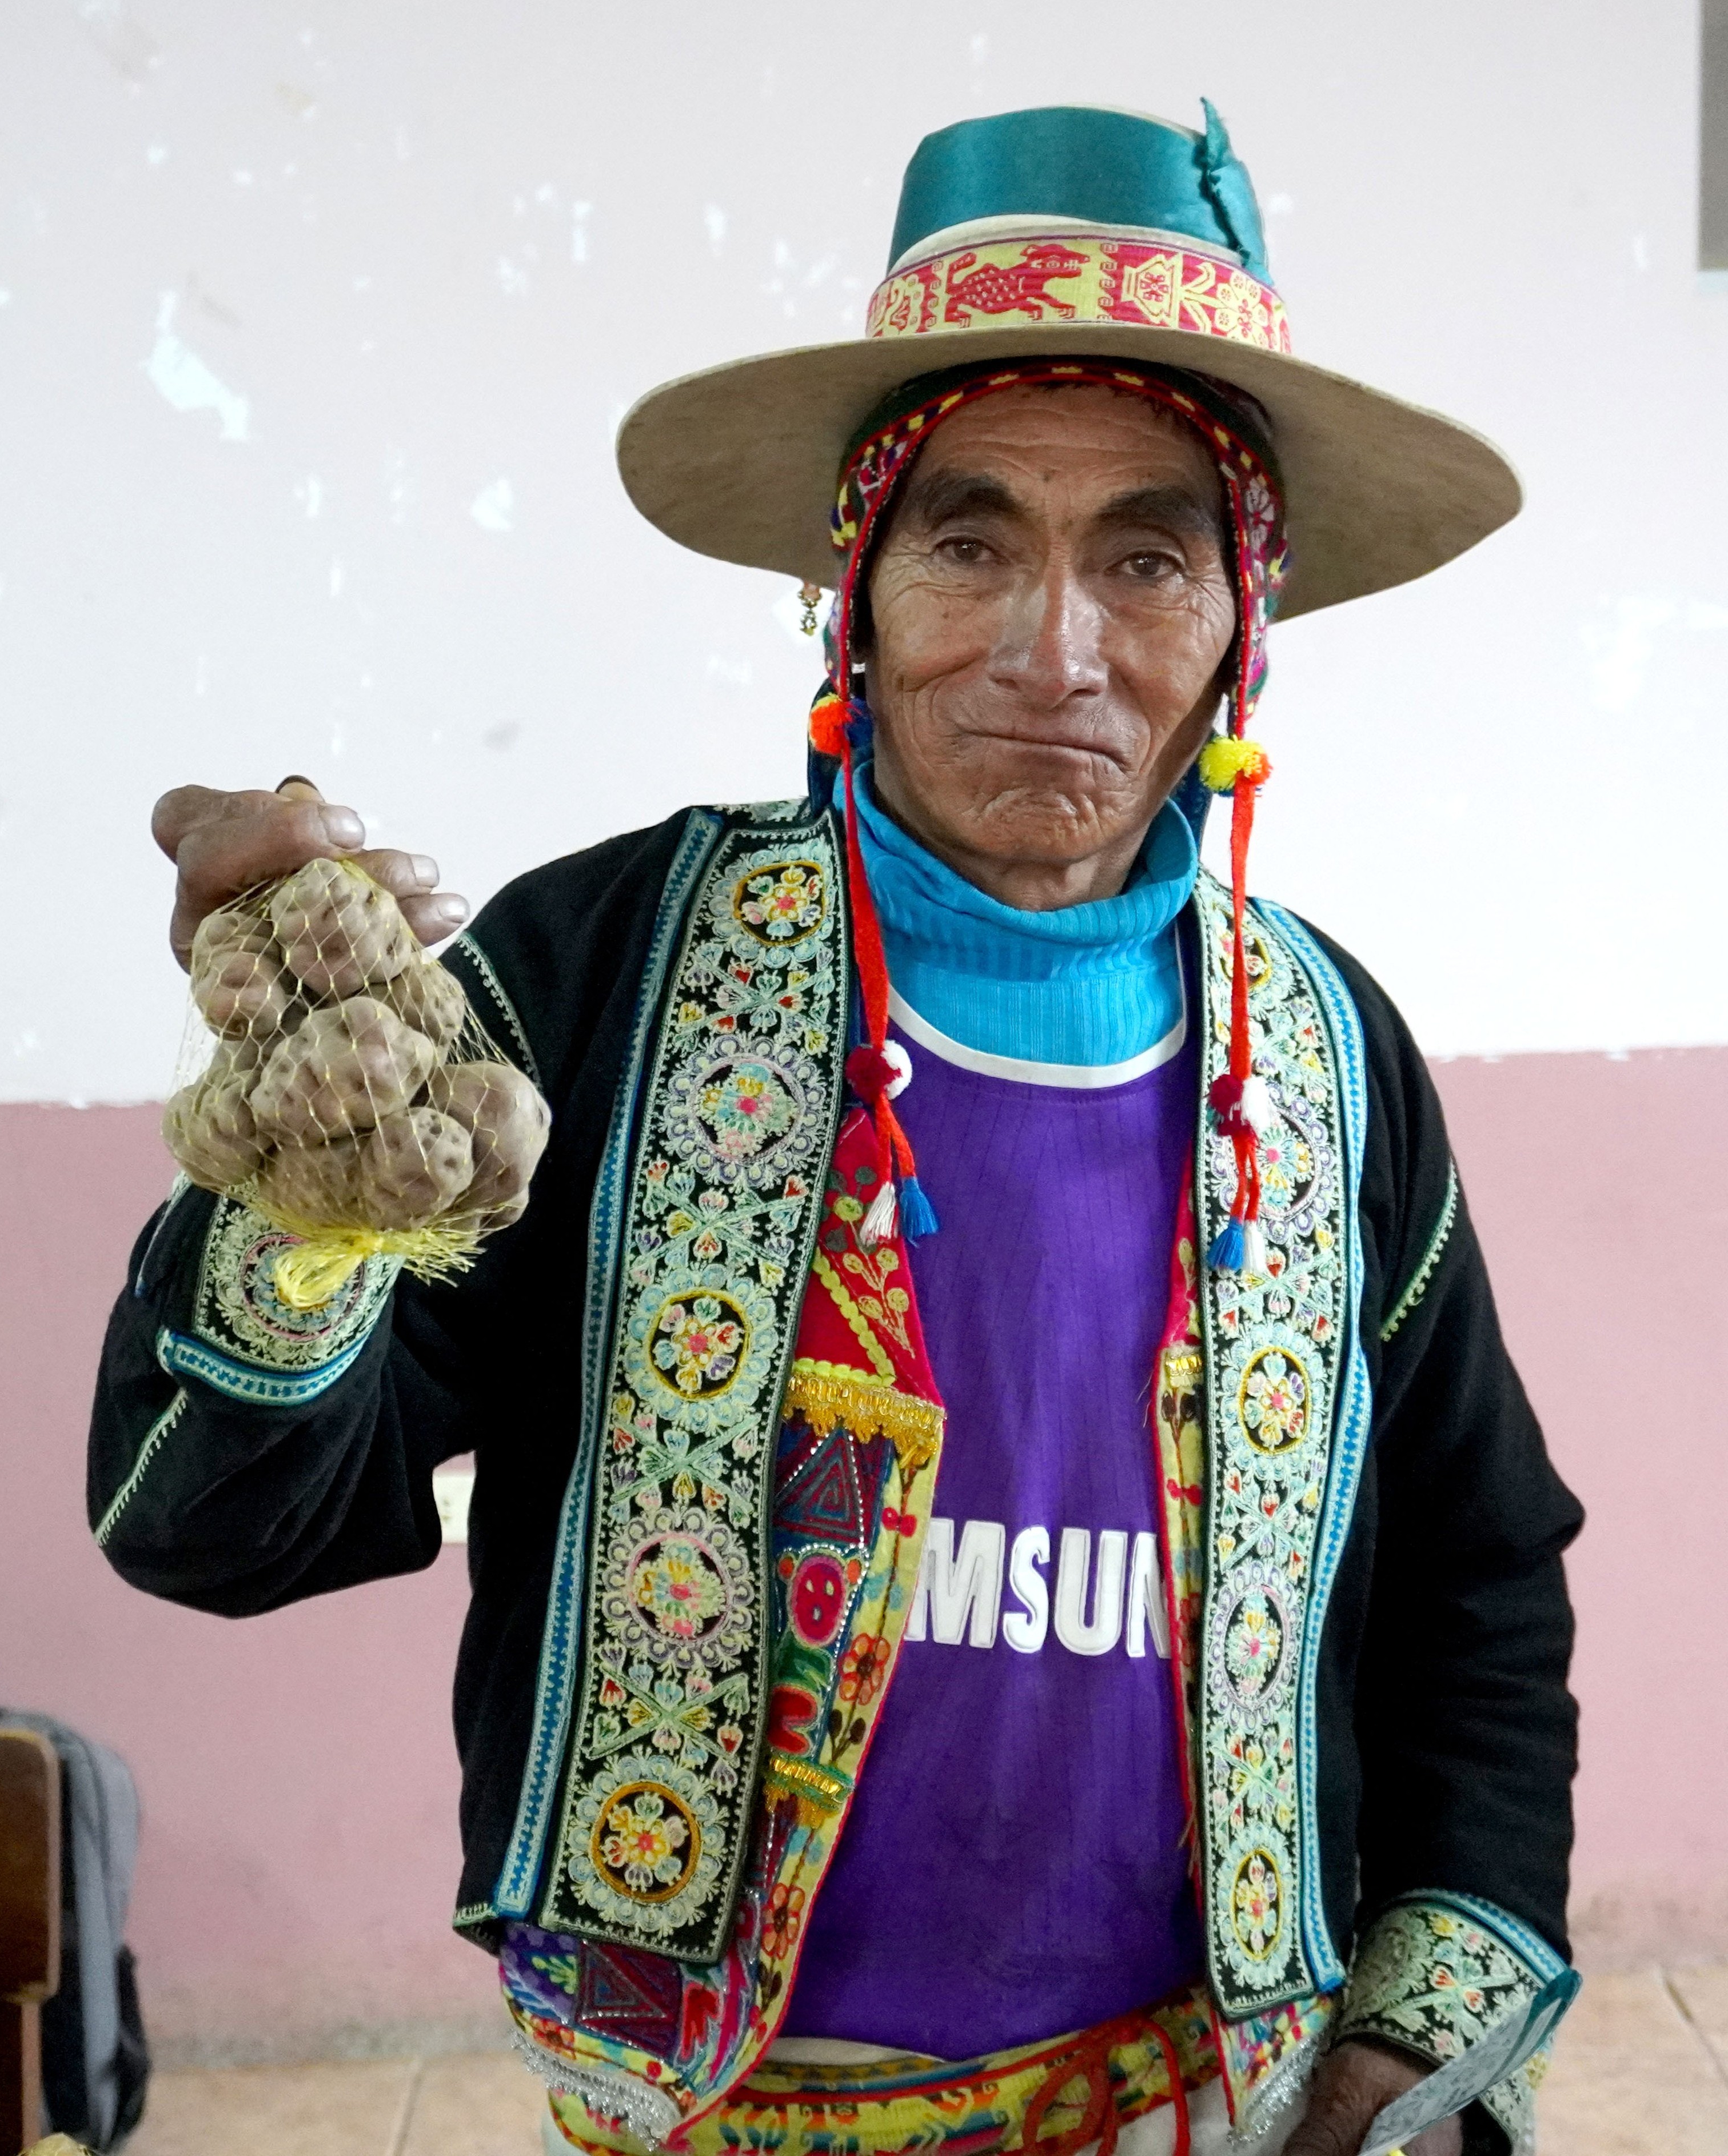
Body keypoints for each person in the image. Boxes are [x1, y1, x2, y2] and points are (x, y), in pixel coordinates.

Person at [90, 104, 1583, 2156]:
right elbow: (205, 1518)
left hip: (1214, 2102)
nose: (1053, 650)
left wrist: (1411, 2053)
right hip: (712, 2111)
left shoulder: (1324, 1057)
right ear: (852, 586)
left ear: (1247, 613)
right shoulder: (603, 973)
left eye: (1146, 556)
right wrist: (309, 1184)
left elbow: (1482, 1581)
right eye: (971, 540)